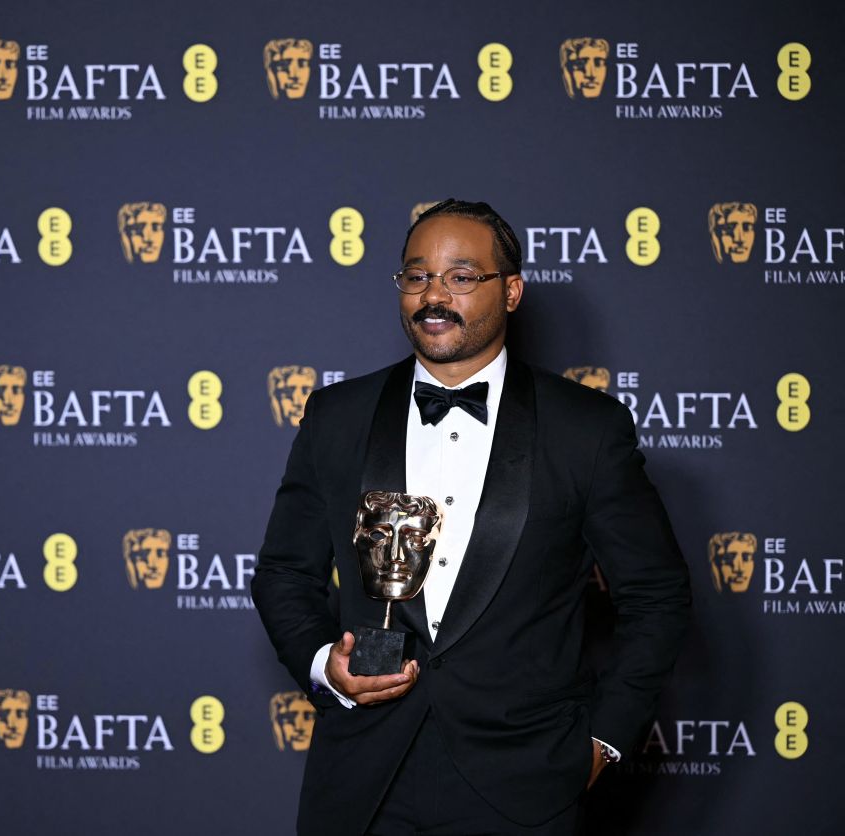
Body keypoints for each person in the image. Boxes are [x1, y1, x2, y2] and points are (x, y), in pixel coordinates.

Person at [253, 199, 691, 835]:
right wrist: (324, 663)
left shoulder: (585, 430)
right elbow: (284, 573)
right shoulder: (336, 417)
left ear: (510, 291)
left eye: (461, 276)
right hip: (362, 783)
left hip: (525, 782)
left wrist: (605, 741)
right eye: (416, 276)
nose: (434, 294)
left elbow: (658, 596)